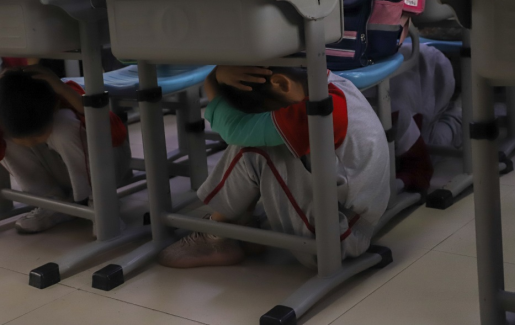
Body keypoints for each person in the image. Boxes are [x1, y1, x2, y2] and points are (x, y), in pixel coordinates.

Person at [158, 65, 390, 268]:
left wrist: (213, 77)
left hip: (337, 240)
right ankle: (236, 224)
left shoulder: (321, 110)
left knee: (254, 147)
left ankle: (216, 233)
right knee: (264, 139)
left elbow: (234, 130)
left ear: (281, 83)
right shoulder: (328, 81)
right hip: (354, 222)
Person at [0, 66, 131, 234]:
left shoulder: (64, 93)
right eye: (23, 140)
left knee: (63, 125)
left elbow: (116, 136)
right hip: (65, 175)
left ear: (54, 107)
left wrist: (65, 91)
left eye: (37, 137)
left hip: (106, 171)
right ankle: (53, 203)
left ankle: (100, 203)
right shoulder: (4, 105)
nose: (29, 144)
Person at [386, 43, 462, 193]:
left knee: (431, 144)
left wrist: (399, 182)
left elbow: (420, 172)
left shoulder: (398, 116)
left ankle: (458, 116)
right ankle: (454, 112)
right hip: (413, 69)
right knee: (430, 142)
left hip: (430, 70)